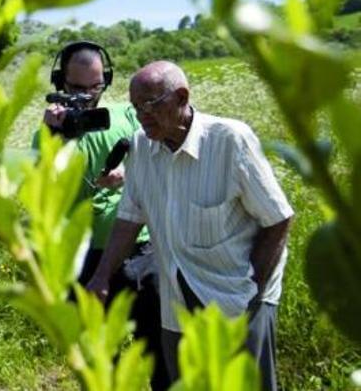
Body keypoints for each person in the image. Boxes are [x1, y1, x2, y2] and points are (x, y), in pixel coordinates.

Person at [87, 61, 293, 391]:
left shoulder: (229, 140)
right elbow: (129, 217)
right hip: (177, 295)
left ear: (181, 97)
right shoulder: (140, 147)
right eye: (136, 107)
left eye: (150, 104)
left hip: (237, 294)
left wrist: (250, 289)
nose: (142, 115)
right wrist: (101, 276)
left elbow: (278, 218)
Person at [36, 41, 168, 390]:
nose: (84, 97)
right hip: (84, 257)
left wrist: (130, 173)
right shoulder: (48, 133)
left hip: (140, 250)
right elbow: (45, 189)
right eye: (75, 88)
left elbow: (164, 160)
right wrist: (56, 138)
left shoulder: (127, 115)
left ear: (105, 80)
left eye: (93, 87)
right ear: (59, 82)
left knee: (159, 349)